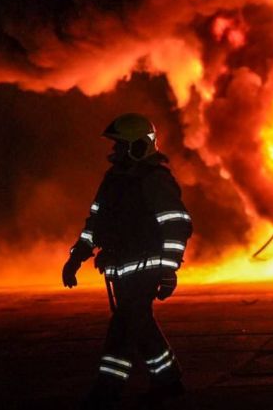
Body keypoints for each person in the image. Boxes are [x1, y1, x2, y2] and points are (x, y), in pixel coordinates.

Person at [61, 113, 192, 408]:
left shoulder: (155, 180)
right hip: (120, 269)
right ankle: (169, 379)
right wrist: (76, 258)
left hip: (146, 268)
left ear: (138, 146)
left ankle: (107, 390)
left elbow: (176, 224)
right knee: (140, 323)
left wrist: (168, 270)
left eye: (120, 145)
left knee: (122, 329)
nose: (115, 151)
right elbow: (95, 223)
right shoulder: (113, 180)